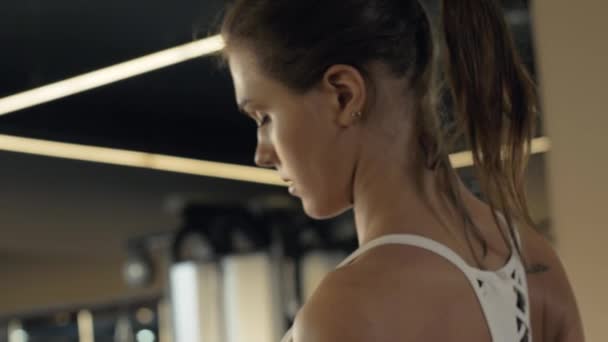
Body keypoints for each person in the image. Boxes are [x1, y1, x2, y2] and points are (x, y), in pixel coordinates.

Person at [216, 0, 584, 341]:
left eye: (264, 117)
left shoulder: (346, 308)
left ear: (343, 95)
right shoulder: (533, 259)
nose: (262, 154)